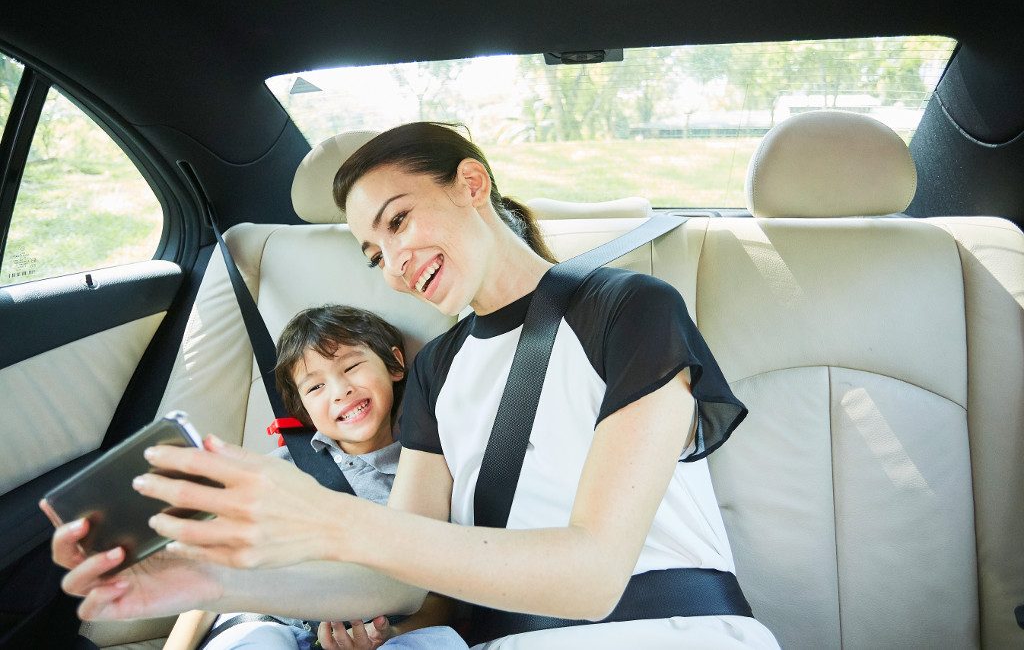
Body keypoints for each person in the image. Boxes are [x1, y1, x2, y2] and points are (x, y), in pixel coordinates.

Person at [51, 122, 780, 649]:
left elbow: (593, 572)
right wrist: (209, 580)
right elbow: (394, 584)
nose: (395, 263)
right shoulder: (436, 369)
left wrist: (323, 517)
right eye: (374, 253)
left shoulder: (629, 308)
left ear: (471, 183)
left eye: (399, 221)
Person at [202, 304, 466, 650]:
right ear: (301, 409)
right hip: (271, 619)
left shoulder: (423, 474)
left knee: (439, 644)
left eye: (352, 366)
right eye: (315, 388)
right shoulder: (279, 469)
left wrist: (388, 636)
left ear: (394, 364)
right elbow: (212, 572)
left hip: (383, 630)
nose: (340, 390)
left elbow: (446, 596)